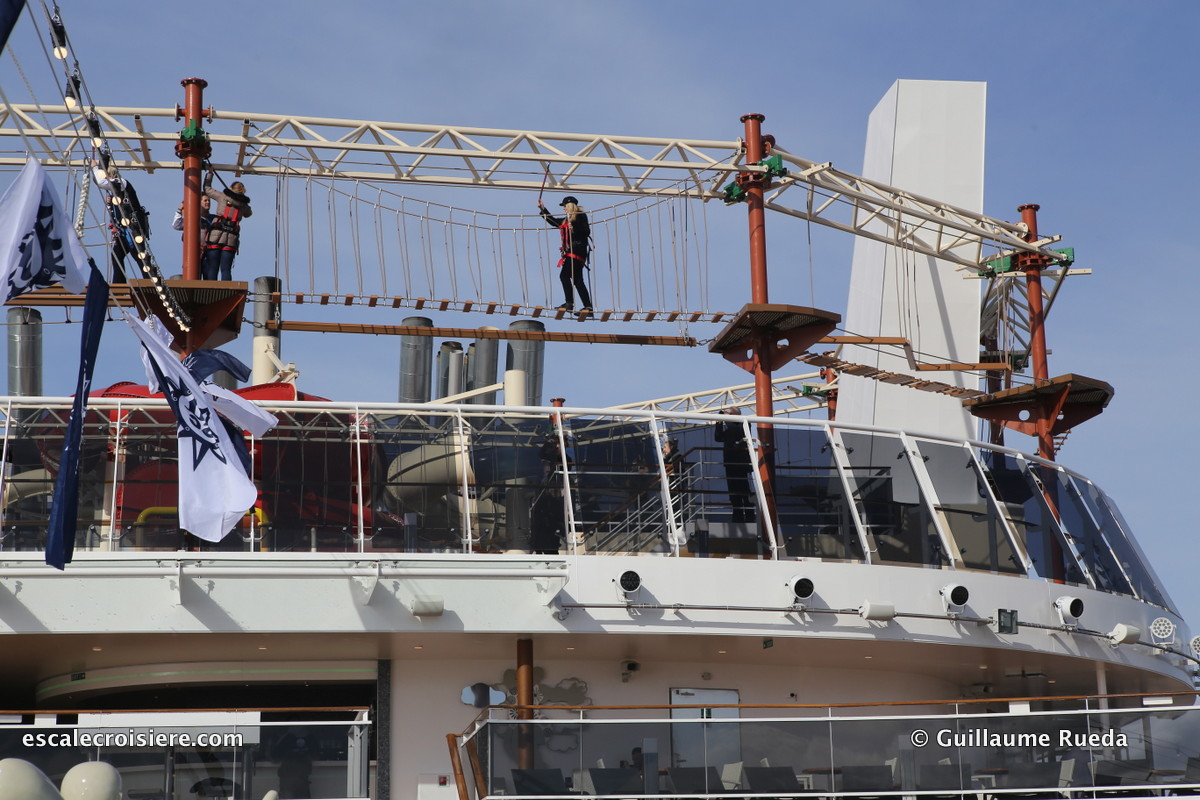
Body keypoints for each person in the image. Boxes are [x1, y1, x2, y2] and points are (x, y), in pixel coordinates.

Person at [92, 162, 150, 284]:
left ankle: (150, 282)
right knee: (117, 256)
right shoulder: (116, 193)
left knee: (139, 256)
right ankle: (119, 283)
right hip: (123, 231)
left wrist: (95, 167)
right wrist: (110, 204)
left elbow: (100, 182)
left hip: (133, 230)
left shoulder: (122, 183)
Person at [537, 195, 592, 313]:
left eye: (565, 206)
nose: (564, 209)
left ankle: (569, 303)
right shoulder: (566, 220)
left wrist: (574, 229)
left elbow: (586, 231)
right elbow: (554, 222)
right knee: (577, 280)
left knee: (564, 276)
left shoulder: (580, 216)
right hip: (574, 252)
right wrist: (543, 209)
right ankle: (588, 307)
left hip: (576, 251)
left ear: (570, 205)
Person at [202, 170, 252, 280]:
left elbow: (207, 189)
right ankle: (226, 289)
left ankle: (211, 288)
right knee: (226, 269)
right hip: (231, 239)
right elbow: (248, 214)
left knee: (212, 267)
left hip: (215, 236)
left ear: (231, 188)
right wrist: (242, 201)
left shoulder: (223, 196)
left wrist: (210, 174)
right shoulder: (243, 205)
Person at [714, 408, 756, 523]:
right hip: (731, 462)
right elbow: (718, 438)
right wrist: (719, 423)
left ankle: (747, 515)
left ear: (733, 414)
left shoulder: (742, 423)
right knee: (735, 490)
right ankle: (739, 514)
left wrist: (722, 419)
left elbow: (732, 432)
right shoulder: (731, 425)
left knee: (742, 490)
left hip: (739, 462)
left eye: (727, 412)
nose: (725, 415)